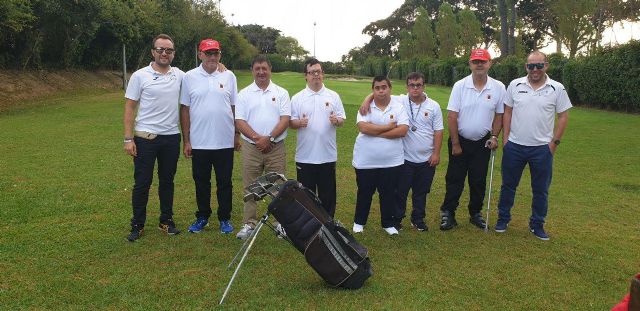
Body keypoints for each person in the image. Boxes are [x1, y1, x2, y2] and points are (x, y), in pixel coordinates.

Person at [494, 51, 572, 241]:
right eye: (531, 66)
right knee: (508, 186)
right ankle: (503, 219)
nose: (535, 70)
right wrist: (506, 139)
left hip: (541, 149)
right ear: (526, 67)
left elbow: (563, 116)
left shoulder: (557, 88)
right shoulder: (515, 85)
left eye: (539, 65)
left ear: (546, 65)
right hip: (515, 146)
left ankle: (537, 224)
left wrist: (554, 143)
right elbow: (508, 112)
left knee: (541, 190)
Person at [358, 72, 444, 232]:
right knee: (400, 191)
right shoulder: (400, 100)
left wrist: (436, 153)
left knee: (421, 192)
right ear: (407, 87)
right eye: (412, 85)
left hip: (426, 158)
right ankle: (396, 219)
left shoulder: (434, 106)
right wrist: (367, 99)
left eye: (418, 85)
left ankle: (418, 219)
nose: (415, 88)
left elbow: (438, 131)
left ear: (423, 86)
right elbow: (381, 91)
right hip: (405, 157)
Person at [123, 34, 184, 242]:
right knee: (142, 183)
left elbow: (202, 74)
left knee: (167, 181)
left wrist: (219, 65)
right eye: (160, 49)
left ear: (173, 54)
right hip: (145, 138)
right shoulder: (140, 76)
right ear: (153, 52)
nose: (164, 53)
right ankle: (137, 224)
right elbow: (130, 107)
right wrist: (127, 139)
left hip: (171, 138)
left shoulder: (179, 75)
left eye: (168, 50)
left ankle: (166, 221)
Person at [439, 49, 506, 231]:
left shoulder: (498, 87)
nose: (479, 65)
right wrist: (455, 143)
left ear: (489, 63)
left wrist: (494, 136)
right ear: (470, 64)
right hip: (459, 140)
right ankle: (448, 213)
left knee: (478, 180)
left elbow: (499, 116)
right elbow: (452, 116)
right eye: (475, 61)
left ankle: (475, 213)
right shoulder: (460, 85)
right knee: (455, 179)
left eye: (482, 61)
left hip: (483, 142)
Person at [179, 39, 239, 235]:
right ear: (200, 55)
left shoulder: (229, 76)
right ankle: (202, 216)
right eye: (208, 53)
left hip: (224, 141)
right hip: (200, 141)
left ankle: (224, 218)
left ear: (220, 55)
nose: (212, 57)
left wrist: (236, 135)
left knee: (224, 182)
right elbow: (185, 109)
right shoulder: (189, 77)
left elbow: (234, 108)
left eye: (216, 53)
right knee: (201, 182)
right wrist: (187, 140)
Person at [234, 55, 291, 240]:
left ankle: (279, 224)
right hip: (252, 147)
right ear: (252, 70)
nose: (261, 72)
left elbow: (285, 119)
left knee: (278, 187)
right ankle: (248, 224)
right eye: (257, 68)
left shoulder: (281, 92)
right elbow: (239, 121)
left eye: (264, 68)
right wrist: (258, 139)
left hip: (275, 146)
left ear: (270, 69)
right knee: (250, 187)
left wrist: (270, 137)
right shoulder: (243, 94)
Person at [289, 58, 346, 218]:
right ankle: (309, 225)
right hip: (305, 156)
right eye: (312, 72)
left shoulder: (333, 96)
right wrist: (298, 123)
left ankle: (328, 225)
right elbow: (290, 122)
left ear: (323, 74)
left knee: (328, 195)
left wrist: (337, 120)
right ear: (305, 76)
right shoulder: (297, 98)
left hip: (327, 155)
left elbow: (342, 119)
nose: (316, 75)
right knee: (306, 195)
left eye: (318, 72)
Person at [352, 76, 409, 236]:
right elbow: (363, 128)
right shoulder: (365, 108)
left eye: (384, 87)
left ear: (390, 88)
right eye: (377, 88)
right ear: (373, 90)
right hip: (366, 161)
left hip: (392, 161)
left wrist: (376, 132)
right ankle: (359, 222)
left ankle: (388, 223)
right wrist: (387, 127)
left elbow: (403, 130)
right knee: (364, 192)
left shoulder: (398, 106)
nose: (381, 90)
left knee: (388, 193)